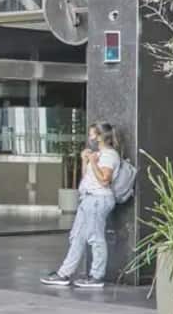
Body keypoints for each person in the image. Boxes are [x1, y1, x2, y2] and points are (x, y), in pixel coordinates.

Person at [41, 123, 122, 289]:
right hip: (88, 199)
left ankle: (97, 276)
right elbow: (87, 177)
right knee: (77, 236)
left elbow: (104, 180)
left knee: (95, 238)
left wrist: (93, 161)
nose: (89, 137)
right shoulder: (98, 154)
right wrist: (85, 161)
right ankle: (64, 274)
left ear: (100, 136)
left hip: (98, 200)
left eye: (92, 134)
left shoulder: (110, 155)